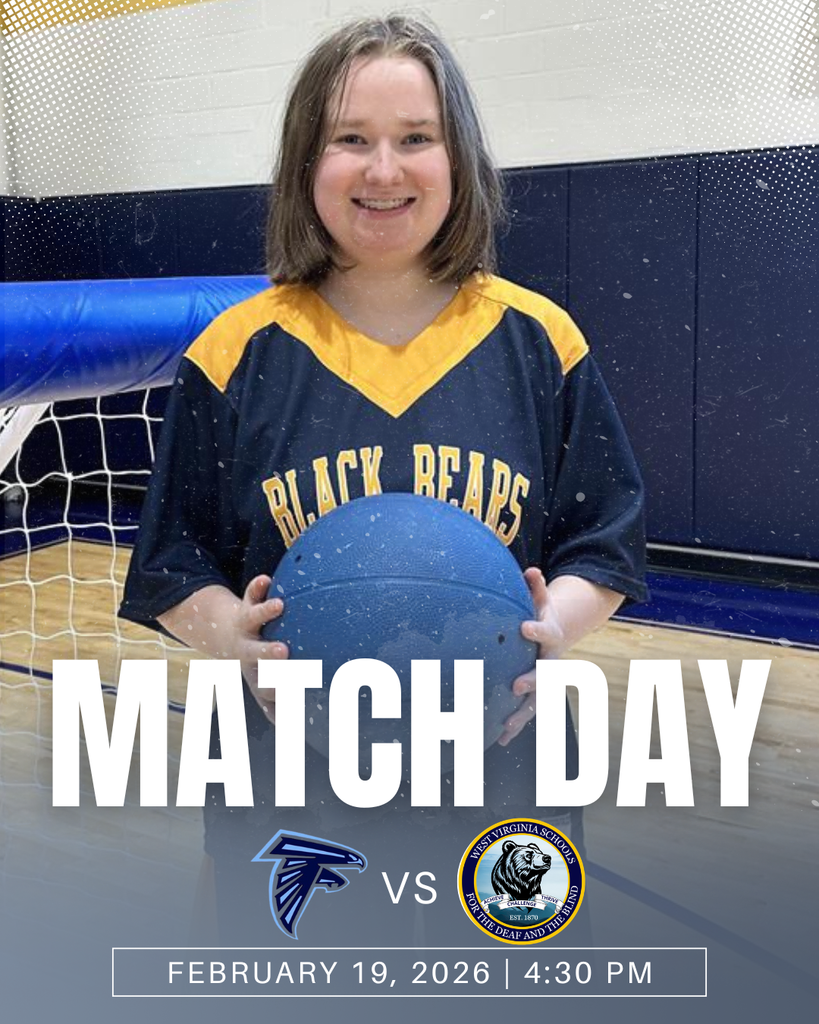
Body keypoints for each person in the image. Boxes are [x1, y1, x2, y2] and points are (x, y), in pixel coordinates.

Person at [119, 14, 647, 945]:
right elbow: (172, 562)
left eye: (416, 139)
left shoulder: (540, 340)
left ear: (461, 160)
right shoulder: (236, 351)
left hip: (500, 766)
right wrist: (230, 638)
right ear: (302, 164)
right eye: (349, 140)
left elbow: (602, 540)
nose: (383, 170)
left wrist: (551, 629)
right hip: (285, 775)